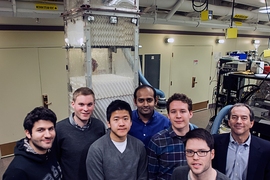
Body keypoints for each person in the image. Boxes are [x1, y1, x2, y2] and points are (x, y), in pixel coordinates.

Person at [86, 100, 148, 180]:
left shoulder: (139, 146)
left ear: (131, 122)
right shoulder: (96, 149)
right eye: (116, 119)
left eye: (125, 119)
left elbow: (142, 176)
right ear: (108, 123)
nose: (121, 123)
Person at [55, 87, 106, 180]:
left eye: (89, 104)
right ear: (73, 104)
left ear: (94, 105)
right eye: (81, 104)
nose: (85, 109)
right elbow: (55, 160)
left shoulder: (99, 126)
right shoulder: (59, 129)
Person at [212, 103, 270, 180]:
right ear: (229, 122)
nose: (239, 121)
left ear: (251, 123)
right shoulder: (214, 142)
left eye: (244, 118)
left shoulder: (266, 148)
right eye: (234, 117)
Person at [147, 93, 198, 180]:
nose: (178, 116)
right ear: (168, 115)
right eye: (173, 112)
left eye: (182, 111)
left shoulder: (201, 139)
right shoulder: (157, 141)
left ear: (190, 114)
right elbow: (151, 176)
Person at [3, 107, 62, 180]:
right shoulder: (17, 171)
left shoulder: (50, 151)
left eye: (51, 129)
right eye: (40, 130)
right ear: (28, 133)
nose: (48, 135)